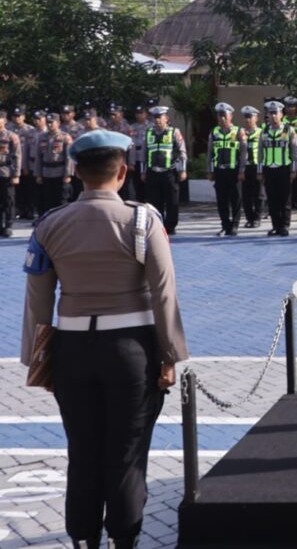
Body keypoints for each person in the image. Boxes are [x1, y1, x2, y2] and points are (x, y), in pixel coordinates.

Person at [21, 129, 188, 549]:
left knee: (83, 450)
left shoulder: (49, 224)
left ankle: (83, 539)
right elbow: (164, 291)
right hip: (132, 349)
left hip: (73, 350)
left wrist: (38, 360)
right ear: (123, 171)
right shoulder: (143, 220)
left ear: (75, 172)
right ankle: (125, 539)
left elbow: (38, 302)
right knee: (127, 454)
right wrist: (170, 356)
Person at [142, 106, 187, 236]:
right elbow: (144, 154)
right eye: (155, 118)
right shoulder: (149, 132)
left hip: (169, 172)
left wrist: (182, 170)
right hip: (152, 173)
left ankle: (171, 227)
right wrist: (143, 172)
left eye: (160, 117)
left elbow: (182, 152)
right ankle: (158, 226)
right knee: (154, 202)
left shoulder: (174, 132)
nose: (157, 121)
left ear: (166, 118)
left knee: (172, 201)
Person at [259, 100, 297, 237]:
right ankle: (275, 226)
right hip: (269, 169)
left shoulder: (289, 130)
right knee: (272, 199)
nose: (273, 115)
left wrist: (293, 170)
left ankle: (285, 226)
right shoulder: (263, 131)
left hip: (284, 169)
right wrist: (260, 170)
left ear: (281, 114)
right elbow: (260, 153)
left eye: (276, 113)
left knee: (285, 199)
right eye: (271, 113)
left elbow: (294, 152)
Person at [206, 103, 242, 236]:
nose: (221, 118)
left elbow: (243, 153)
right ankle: (225, 224)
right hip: (219, 171)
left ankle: (235, 225)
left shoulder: (238, 131)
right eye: (219, 116)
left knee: (235, 199)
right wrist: (209, 170)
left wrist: (242, 170)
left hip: (234, 171)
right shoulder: (214, 132)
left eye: (224, 115)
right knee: (222, 200)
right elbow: (210, 153)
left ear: (230, 116)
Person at [37, 114, 74, 214]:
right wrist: (38, 174)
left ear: (58, 123)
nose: (49, 125)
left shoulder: (65, 137)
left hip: (60, 172)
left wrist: (67, 174)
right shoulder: (41, 137)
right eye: (48, 122)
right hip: (46, 173)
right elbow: (38, 157)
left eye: (51, 122)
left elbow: (69, 157)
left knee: (61, 200)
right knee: (47, 200)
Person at [238, 105, 264, 229]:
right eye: (246, 117)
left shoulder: (262, 132)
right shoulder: (240, 133)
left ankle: (257, 218)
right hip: (245, 168)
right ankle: (249, 218)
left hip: (257, 167)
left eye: (250, 117)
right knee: (246, 195)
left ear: (256, 118)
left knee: (258, 194)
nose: (248, 120)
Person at [0, 108, 22, 236]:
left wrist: (16, 174)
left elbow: (17, 156)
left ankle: (8, 225)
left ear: (4, 121)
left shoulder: (11, 136)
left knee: (8, 200)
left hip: (7, 172)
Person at [126, 106, 148, 203]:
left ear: (146, 114)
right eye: (137, 113)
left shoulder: (151, 126)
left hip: (147, 159)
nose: (139, 115)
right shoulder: (132, 127)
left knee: (147, 182)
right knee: (136, 183)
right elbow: (130, 146)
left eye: (141, 113)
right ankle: (138, 201)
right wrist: (131, 162)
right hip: (135, 158)